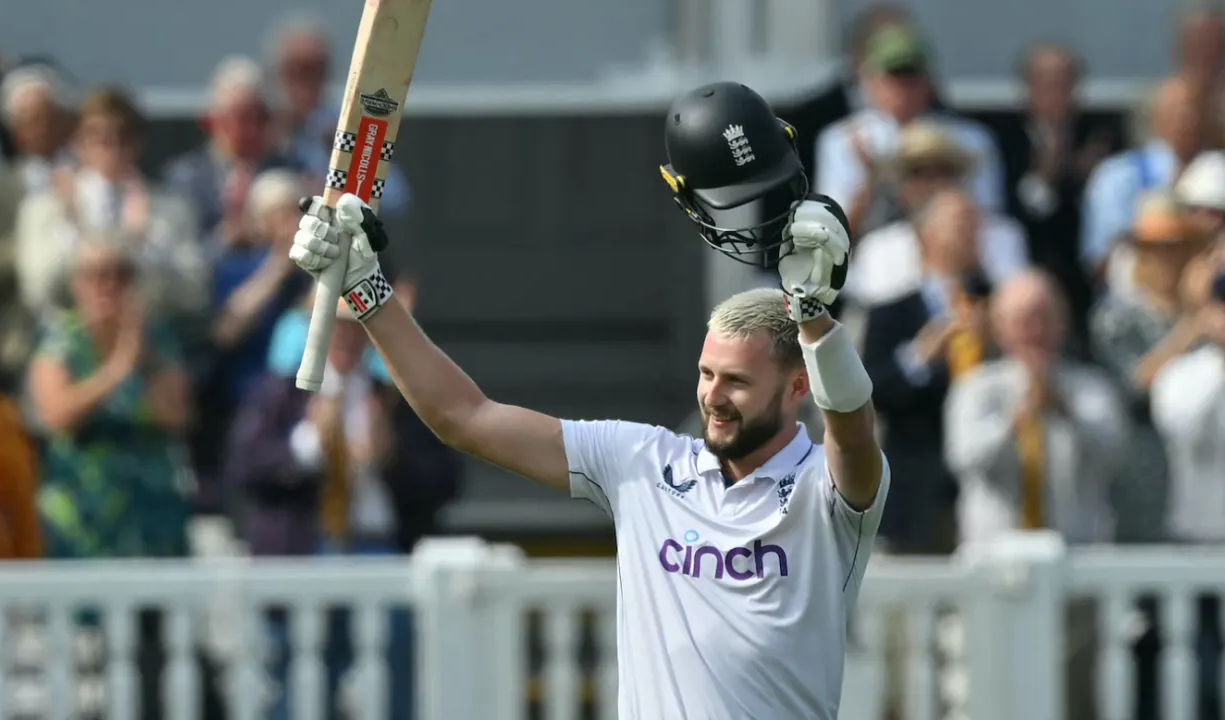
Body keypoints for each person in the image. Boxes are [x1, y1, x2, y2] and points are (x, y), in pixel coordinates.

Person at [288, 81, 889, 719]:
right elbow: (466, 418)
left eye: (736, 382)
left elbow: (853, 429)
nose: (713, 397)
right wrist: (367, 292)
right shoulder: (645, 465)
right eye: (706, 374)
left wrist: (816, 320)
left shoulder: (826, 494)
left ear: (798, 386)